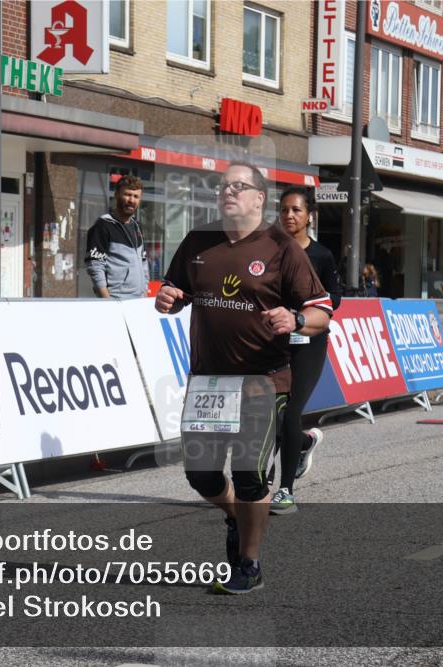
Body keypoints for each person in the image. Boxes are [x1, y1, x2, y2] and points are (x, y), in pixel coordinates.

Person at [154, 162, 333, 594]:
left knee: (250, 472)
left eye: (239, 186)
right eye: (223, 186)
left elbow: (321, 311)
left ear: (259, 198)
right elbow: (176, 289)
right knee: (201, 475)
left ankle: (249, 564)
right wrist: (169, 298)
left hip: (262, 379)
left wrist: (294, 318)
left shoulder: (281, 247)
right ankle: (235, 514)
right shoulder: (199, 242)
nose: (228, 192)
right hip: (208, 383)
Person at [269, 185, 341, 515]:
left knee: (291, 411)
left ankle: (284, 489)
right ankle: (304, 442)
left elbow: (334, 301)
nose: (289, 216)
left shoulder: (321, 255)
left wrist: (302, 312)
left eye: (296, 210)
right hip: (274, 343)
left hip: (309, 343)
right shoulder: (269, 251)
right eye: (284, 210)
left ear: (309, 215)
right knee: (273, 413)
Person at [85, 175, 149, 299]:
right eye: (127, 194)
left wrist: (144, 292)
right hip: (115, 300)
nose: (131, 200)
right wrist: (107, 301)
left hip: (138, 299)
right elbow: (95, 265)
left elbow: (143, 261)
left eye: (136, 196)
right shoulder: (103, 225)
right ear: (116, 195)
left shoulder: (136, 226)